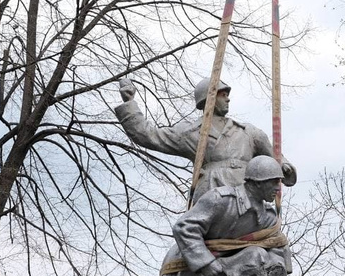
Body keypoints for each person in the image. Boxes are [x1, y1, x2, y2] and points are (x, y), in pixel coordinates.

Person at [123, 155, 292, 276]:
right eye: (273, 182)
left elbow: (276, 243)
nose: (277, 188)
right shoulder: (220, 199)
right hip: (190, 263)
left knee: (259, 255)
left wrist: (275, 267)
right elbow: (184, 227)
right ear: (256, 183)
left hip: (235, 269)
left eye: (279, 182)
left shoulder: (268, 215)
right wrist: (205, 262)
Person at [115, 77, 296, 203]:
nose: (228, 99)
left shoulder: (248, 132)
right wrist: (129, 102)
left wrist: (284, 165)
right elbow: (149, 135)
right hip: (211, 192)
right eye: (222, 95)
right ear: (209, 98)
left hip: (246, 192)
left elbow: (273, 157)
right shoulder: (191, 133)